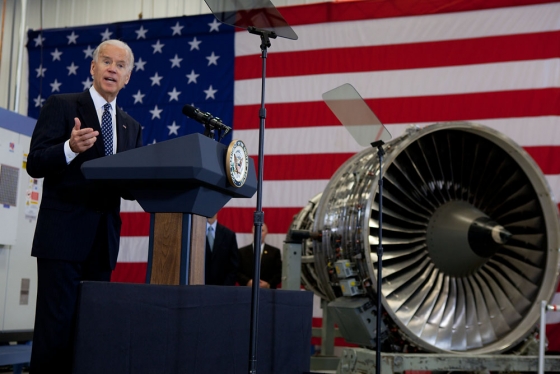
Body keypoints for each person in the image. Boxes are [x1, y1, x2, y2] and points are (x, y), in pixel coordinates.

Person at [26, 39, 143, 373]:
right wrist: (69, 148)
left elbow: (128, 189)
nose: (112, 69)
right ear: (92, 67)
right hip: (62, 240)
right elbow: (35, 163)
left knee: (90, 334)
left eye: (120, 65)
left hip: (101, 245)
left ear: (128, 77)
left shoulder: (131, 127)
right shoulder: (62, 105)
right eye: (106, 61)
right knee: (54, 333)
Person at [237, 223, 282, 289]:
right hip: (246, 291)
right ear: (252, 231)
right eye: (256, 229)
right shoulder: (241, 252)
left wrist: (268, 284)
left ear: (266, 232)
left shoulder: (275, 252)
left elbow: (279, 273)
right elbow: (237, 272)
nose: (259, 232)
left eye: (262, 230)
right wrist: (247, 282)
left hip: (268, 292)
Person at [205, 213, 239, 285]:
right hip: (197, 288)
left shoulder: (229, 235)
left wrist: (226, 287)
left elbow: (234, 266)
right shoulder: (193, 232)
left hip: (222, 289)